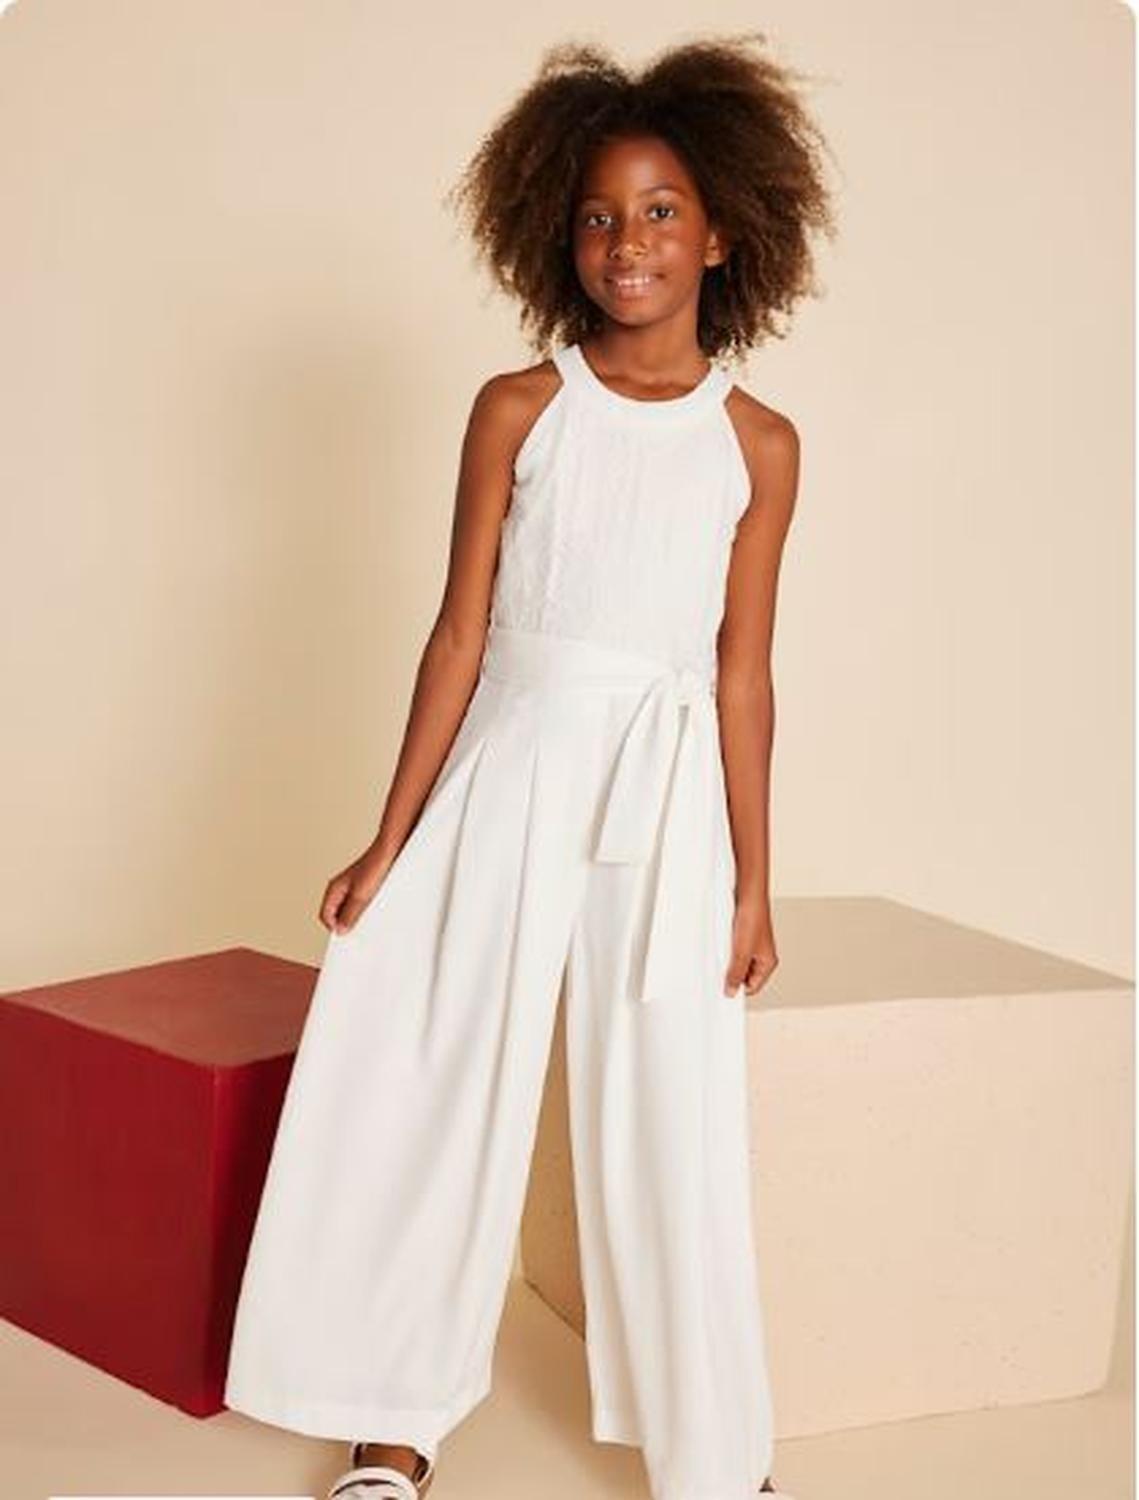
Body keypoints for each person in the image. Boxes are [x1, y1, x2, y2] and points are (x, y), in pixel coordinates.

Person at [223, 32, 836, 1500]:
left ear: (723, 234)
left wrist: (754, 882)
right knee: (438, 1076)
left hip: (667, 806)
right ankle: (392, 1421)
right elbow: (458, 634)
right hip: (509, 772)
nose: (630, 241)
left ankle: (714, 1457)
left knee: (674, 1116)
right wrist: (390, 839)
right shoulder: (522, 409)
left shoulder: (758, 444)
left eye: (662, 211)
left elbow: (743, 675)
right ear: (560, 239)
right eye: (600, 217)